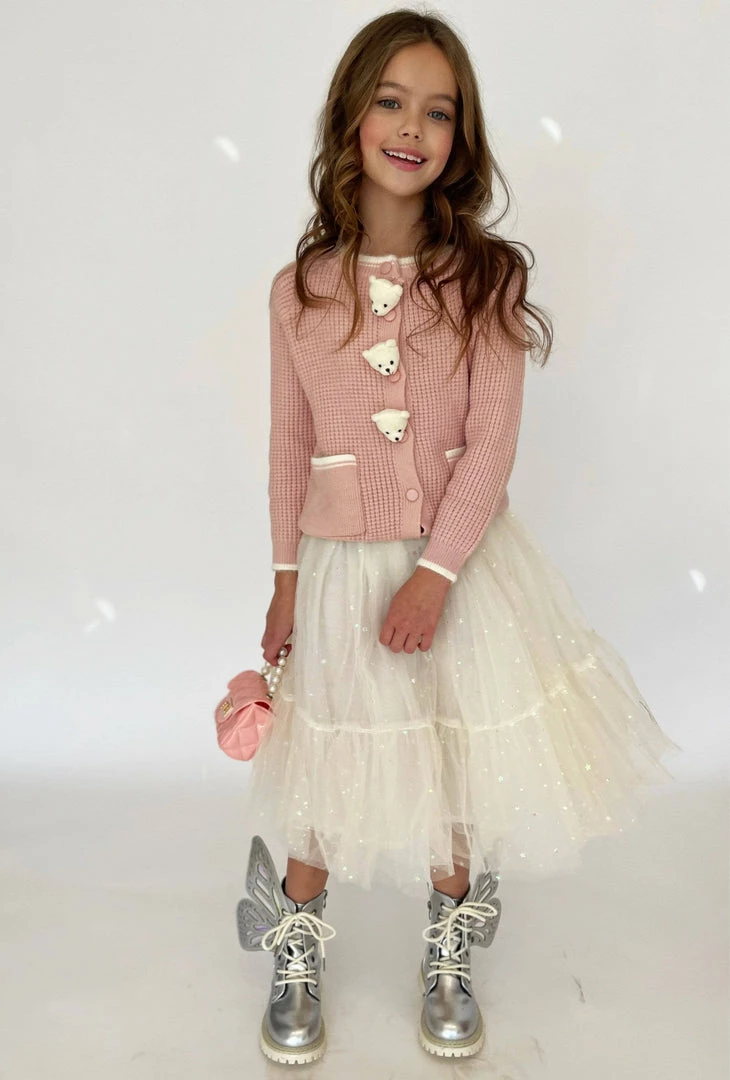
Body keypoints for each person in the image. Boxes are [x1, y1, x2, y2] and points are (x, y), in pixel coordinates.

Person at [234, 8, 683, 1066]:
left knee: (449, 752)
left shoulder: (486, 282)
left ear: (460, 139)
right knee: (329, 751)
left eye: (438, 112)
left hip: (461, 567)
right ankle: (298, 939)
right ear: (350, 118)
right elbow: (289, 444)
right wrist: (287, 578)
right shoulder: (300, 292)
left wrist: (434, 575)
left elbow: (491, 445)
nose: (411, 127)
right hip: (340, 569)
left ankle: (449, 944)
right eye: (390, 102)